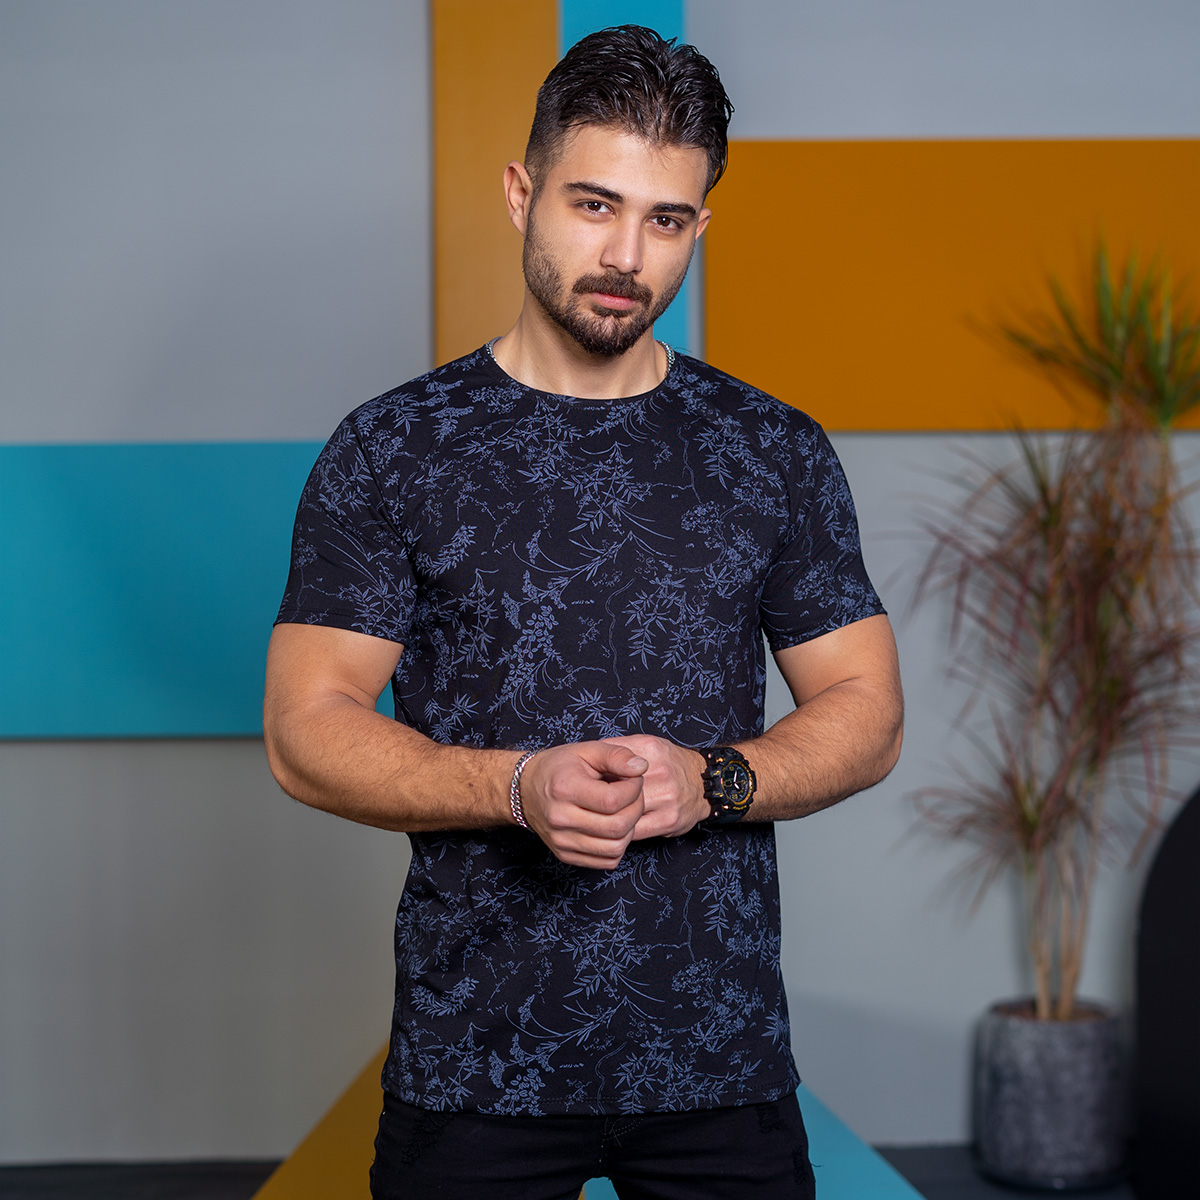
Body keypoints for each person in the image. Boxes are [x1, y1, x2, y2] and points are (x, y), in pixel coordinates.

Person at [264, 24, 902, 1200]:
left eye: (666, 220)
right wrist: (516, 786)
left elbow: (867, 710)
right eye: (594, 204)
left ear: (700, 227)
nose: (625, 254)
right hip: (474, 1068)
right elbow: (305, 730)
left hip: (721, 1062)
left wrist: (712, 780)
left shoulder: (773, 450)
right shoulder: (394, 448)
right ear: (522, 193)